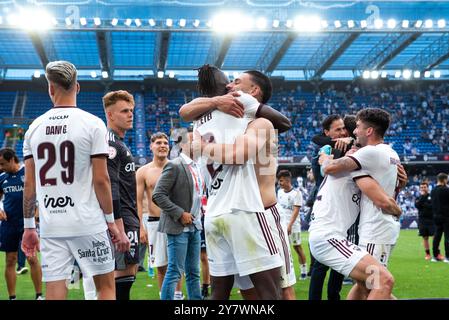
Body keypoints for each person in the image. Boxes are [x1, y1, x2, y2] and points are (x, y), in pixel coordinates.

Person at [21, 60, 128, 300]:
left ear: (50, 88)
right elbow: (101, 180)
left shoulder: (34, 128)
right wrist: (111, 222)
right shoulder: (93, 124)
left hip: (51, 225)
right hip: (88, 222)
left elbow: (30, 185)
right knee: (105, 289)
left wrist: (29, 226)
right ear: (77, 87)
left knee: (56, 293)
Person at [320, 108, 408, 299]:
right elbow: (396, 184)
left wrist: (325, 157)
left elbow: (330, 168)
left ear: (369, 131)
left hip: (375, 229)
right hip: (382, 228)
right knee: (363, 286)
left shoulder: (370, 153)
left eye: (358, 127)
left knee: (375, 284)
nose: (353, 132)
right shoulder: (390, 152)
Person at [152, 127, 204, 300]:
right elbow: (158, 195)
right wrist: (180, 213)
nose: (199, 143)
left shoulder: (197, 167)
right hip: (178, 226)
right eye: (194, 140)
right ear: (184, 144)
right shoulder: (174, 165)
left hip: (195, 227)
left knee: (194, 272)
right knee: (174, 271)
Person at [136, 132, 184, 299]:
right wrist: (140, 228)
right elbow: (138, 201)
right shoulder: (143, 172)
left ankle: (178, 296)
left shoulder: (178, 167)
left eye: (165, 142)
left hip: (176, 221)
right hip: (154, 222)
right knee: (160, 265)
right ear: (151, 146)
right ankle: (164, 296)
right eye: (158, 143)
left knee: (177, 264)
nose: (163, 145)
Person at [103, 90, 140, 300]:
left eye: (132, 110)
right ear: (110, 115)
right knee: (121, 279)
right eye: (124, 111)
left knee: (127, 275)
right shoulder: (111, 145)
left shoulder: (119, 142)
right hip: (122, 219)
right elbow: (111, 186)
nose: (130, 114)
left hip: (127, 217)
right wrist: (119, 226)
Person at [0, 148, 43, 300]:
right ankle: (12, 297)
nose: (1, 167)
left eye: (3, 163)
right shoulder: (2, 177)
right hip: (8, 224)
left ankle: (39, 295)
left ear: (12, 159)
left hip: (27, 223)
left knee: (32, 258)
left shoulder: (29, 173)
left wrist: (37, 211)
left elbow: (40, 193)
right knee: (10, 260)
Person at [276, 170, 308, 280]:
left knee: (297, 247)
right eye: (279, 181)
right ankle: (286, 272)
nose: (279, 183)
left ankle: (304, 271)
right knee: (283, 248)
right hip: (281, 225)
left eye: (281, 181)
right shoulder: (279, 192)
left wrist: (289, 225)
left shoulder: (296, 193)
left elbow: (296, 211)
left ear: (287, 180)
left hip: (293, 226)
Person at [430, 173, 449, 262]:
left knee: (437, 236)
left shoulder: (433, 191)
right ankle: (447, 256)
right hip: (446, 216)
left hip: (436, 216)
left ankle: (435, 256)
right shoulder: (446, 190)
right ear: (444, 180)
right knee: (447, 236)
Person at [415, 181, 435, 260]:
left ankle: (436, 253)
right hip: (422, 221)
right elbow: (417, 205)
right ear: (420, 188)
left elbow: (432, 206)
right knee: (425, 238)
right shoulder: (419, 197)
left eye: (424, 187)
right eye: (422, 187)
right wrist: (423, 199)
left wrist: (423, 204)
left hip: (432, 220)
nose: (423, 188)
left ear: (428, 187)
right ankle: (428, 254)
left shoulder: (432, 196)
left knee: (434, 237)